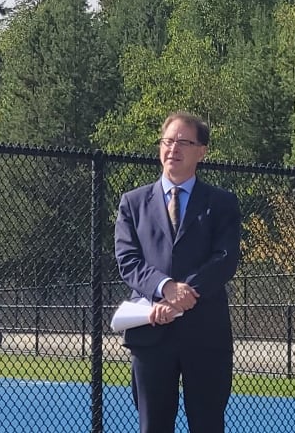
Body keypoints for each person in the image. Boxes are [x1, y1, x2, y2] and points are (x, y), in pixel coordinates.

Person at [114, 111, 241, 433]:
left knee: (208, 425)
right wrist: (165, 288)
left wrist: (183, 295)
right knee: (153, 426)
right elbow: (128, 260)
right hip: (151, 333)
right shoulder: (133, 202)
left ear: (202, 151)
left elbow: (225, 258)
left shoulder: (222, 203)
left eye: (184, 142)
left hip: (206, 335)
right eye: (168, 141)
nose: (174, 149)